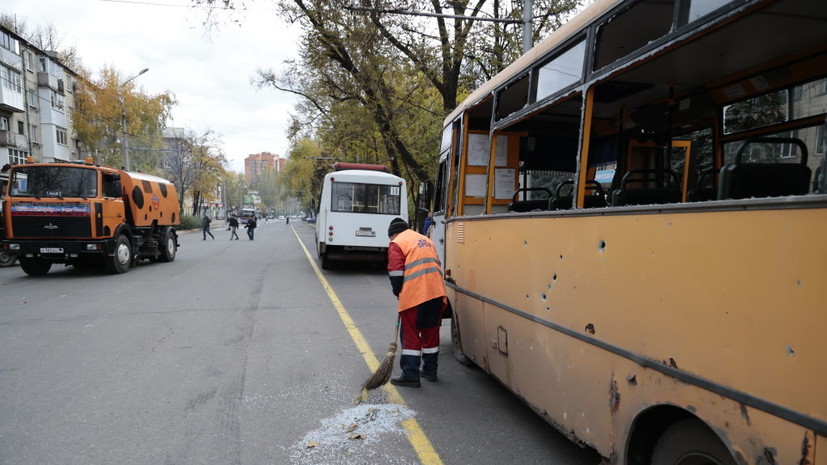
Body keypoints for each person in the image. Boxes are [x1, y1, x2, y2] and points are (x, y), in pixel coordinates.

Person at [386, 217, 447, 388]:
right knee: (431, 333)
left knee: (411, 334)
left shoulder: (397, 242)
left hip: (415, 295)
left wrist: (397, 292)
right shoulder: (425, 240)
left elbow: (396, 271)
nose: (391, 240)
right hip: (436, 293)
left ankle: (411, 375)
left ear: (394, 233)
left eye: (391, 237)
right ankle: (430, 370)